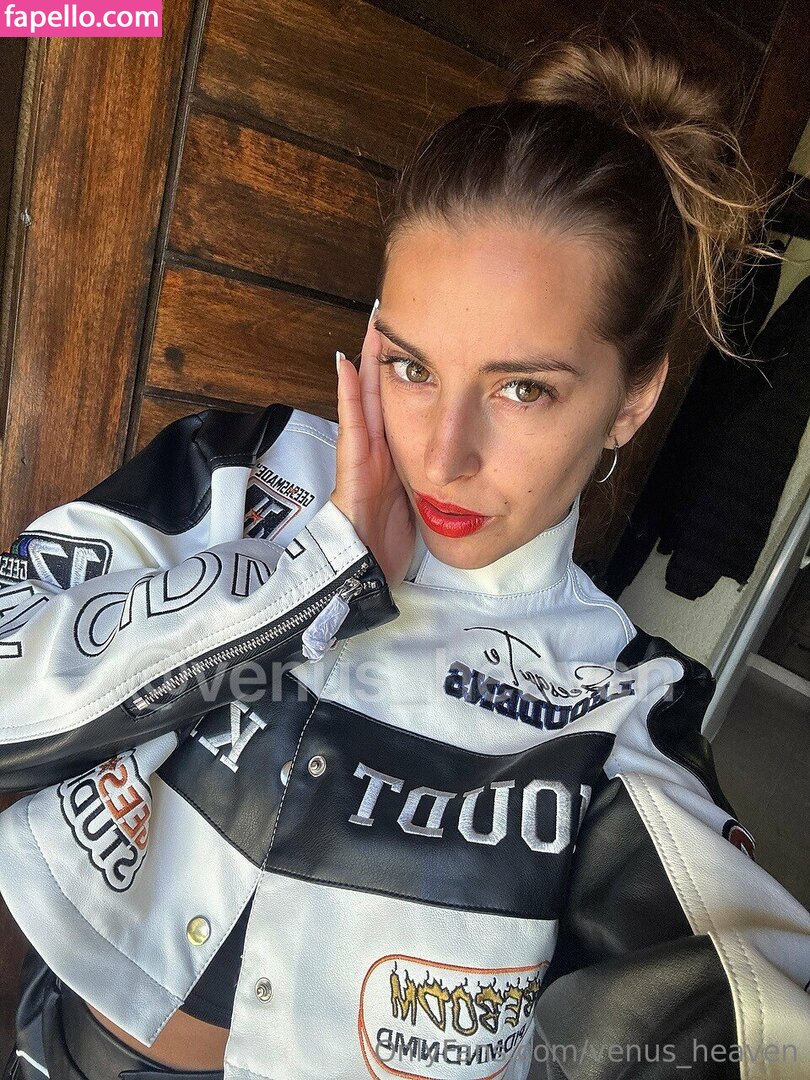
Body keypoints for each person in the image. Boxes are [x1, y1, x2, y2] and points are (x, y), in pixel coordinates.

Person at [1, 27, 808, 1080]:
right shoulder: (241, 471)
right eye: (413, 367)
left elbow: (745, 1013)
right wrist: (312, 575)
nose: (441, 453)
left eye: (524, 388)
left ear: (633, 399)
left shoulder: (623, 700)